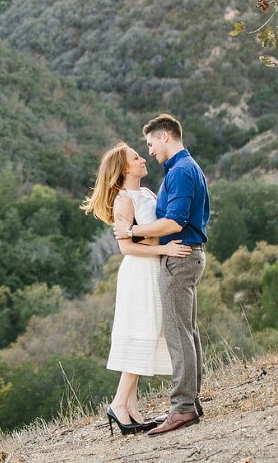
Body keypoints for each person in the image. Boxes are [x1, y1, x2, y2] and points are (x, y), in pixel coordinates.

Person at [82, 142, 191, 436]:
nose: (144, 159)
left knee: (147, 332)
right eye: (136, 157)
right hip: (139, 272)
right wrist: (165, 250)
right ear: (123, 168)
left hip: (151, 269)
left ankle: (130, 408)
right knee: (142, 332)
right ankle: (119, 405)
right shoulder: (123, 200)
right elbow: (126, 248)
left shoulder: (146, 193)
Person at [112, 113, 209, 436]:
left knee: (179, 334)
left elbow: (174, 223)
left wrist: (133, 229)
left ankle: (182, 408)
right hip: (182, 256)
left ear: (165, 137)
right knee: (187, 331)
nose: (150, 152)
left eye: (150, 144)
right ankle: (189, 402)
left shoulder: (181, 171)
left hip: (180, 257)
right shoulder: (182, 169)